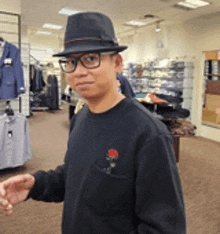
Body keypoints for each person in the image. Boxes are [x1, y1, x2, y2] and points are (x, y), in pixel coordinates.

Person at [0, 12, 186, 234]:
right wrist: (35, 185)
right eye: (71, 62)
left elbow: (165, 228)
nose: (79, 72)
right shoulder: (81, 118)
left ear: (117, 63)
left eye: (90, 59)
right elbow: (75, 175)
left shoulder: (149, 134)